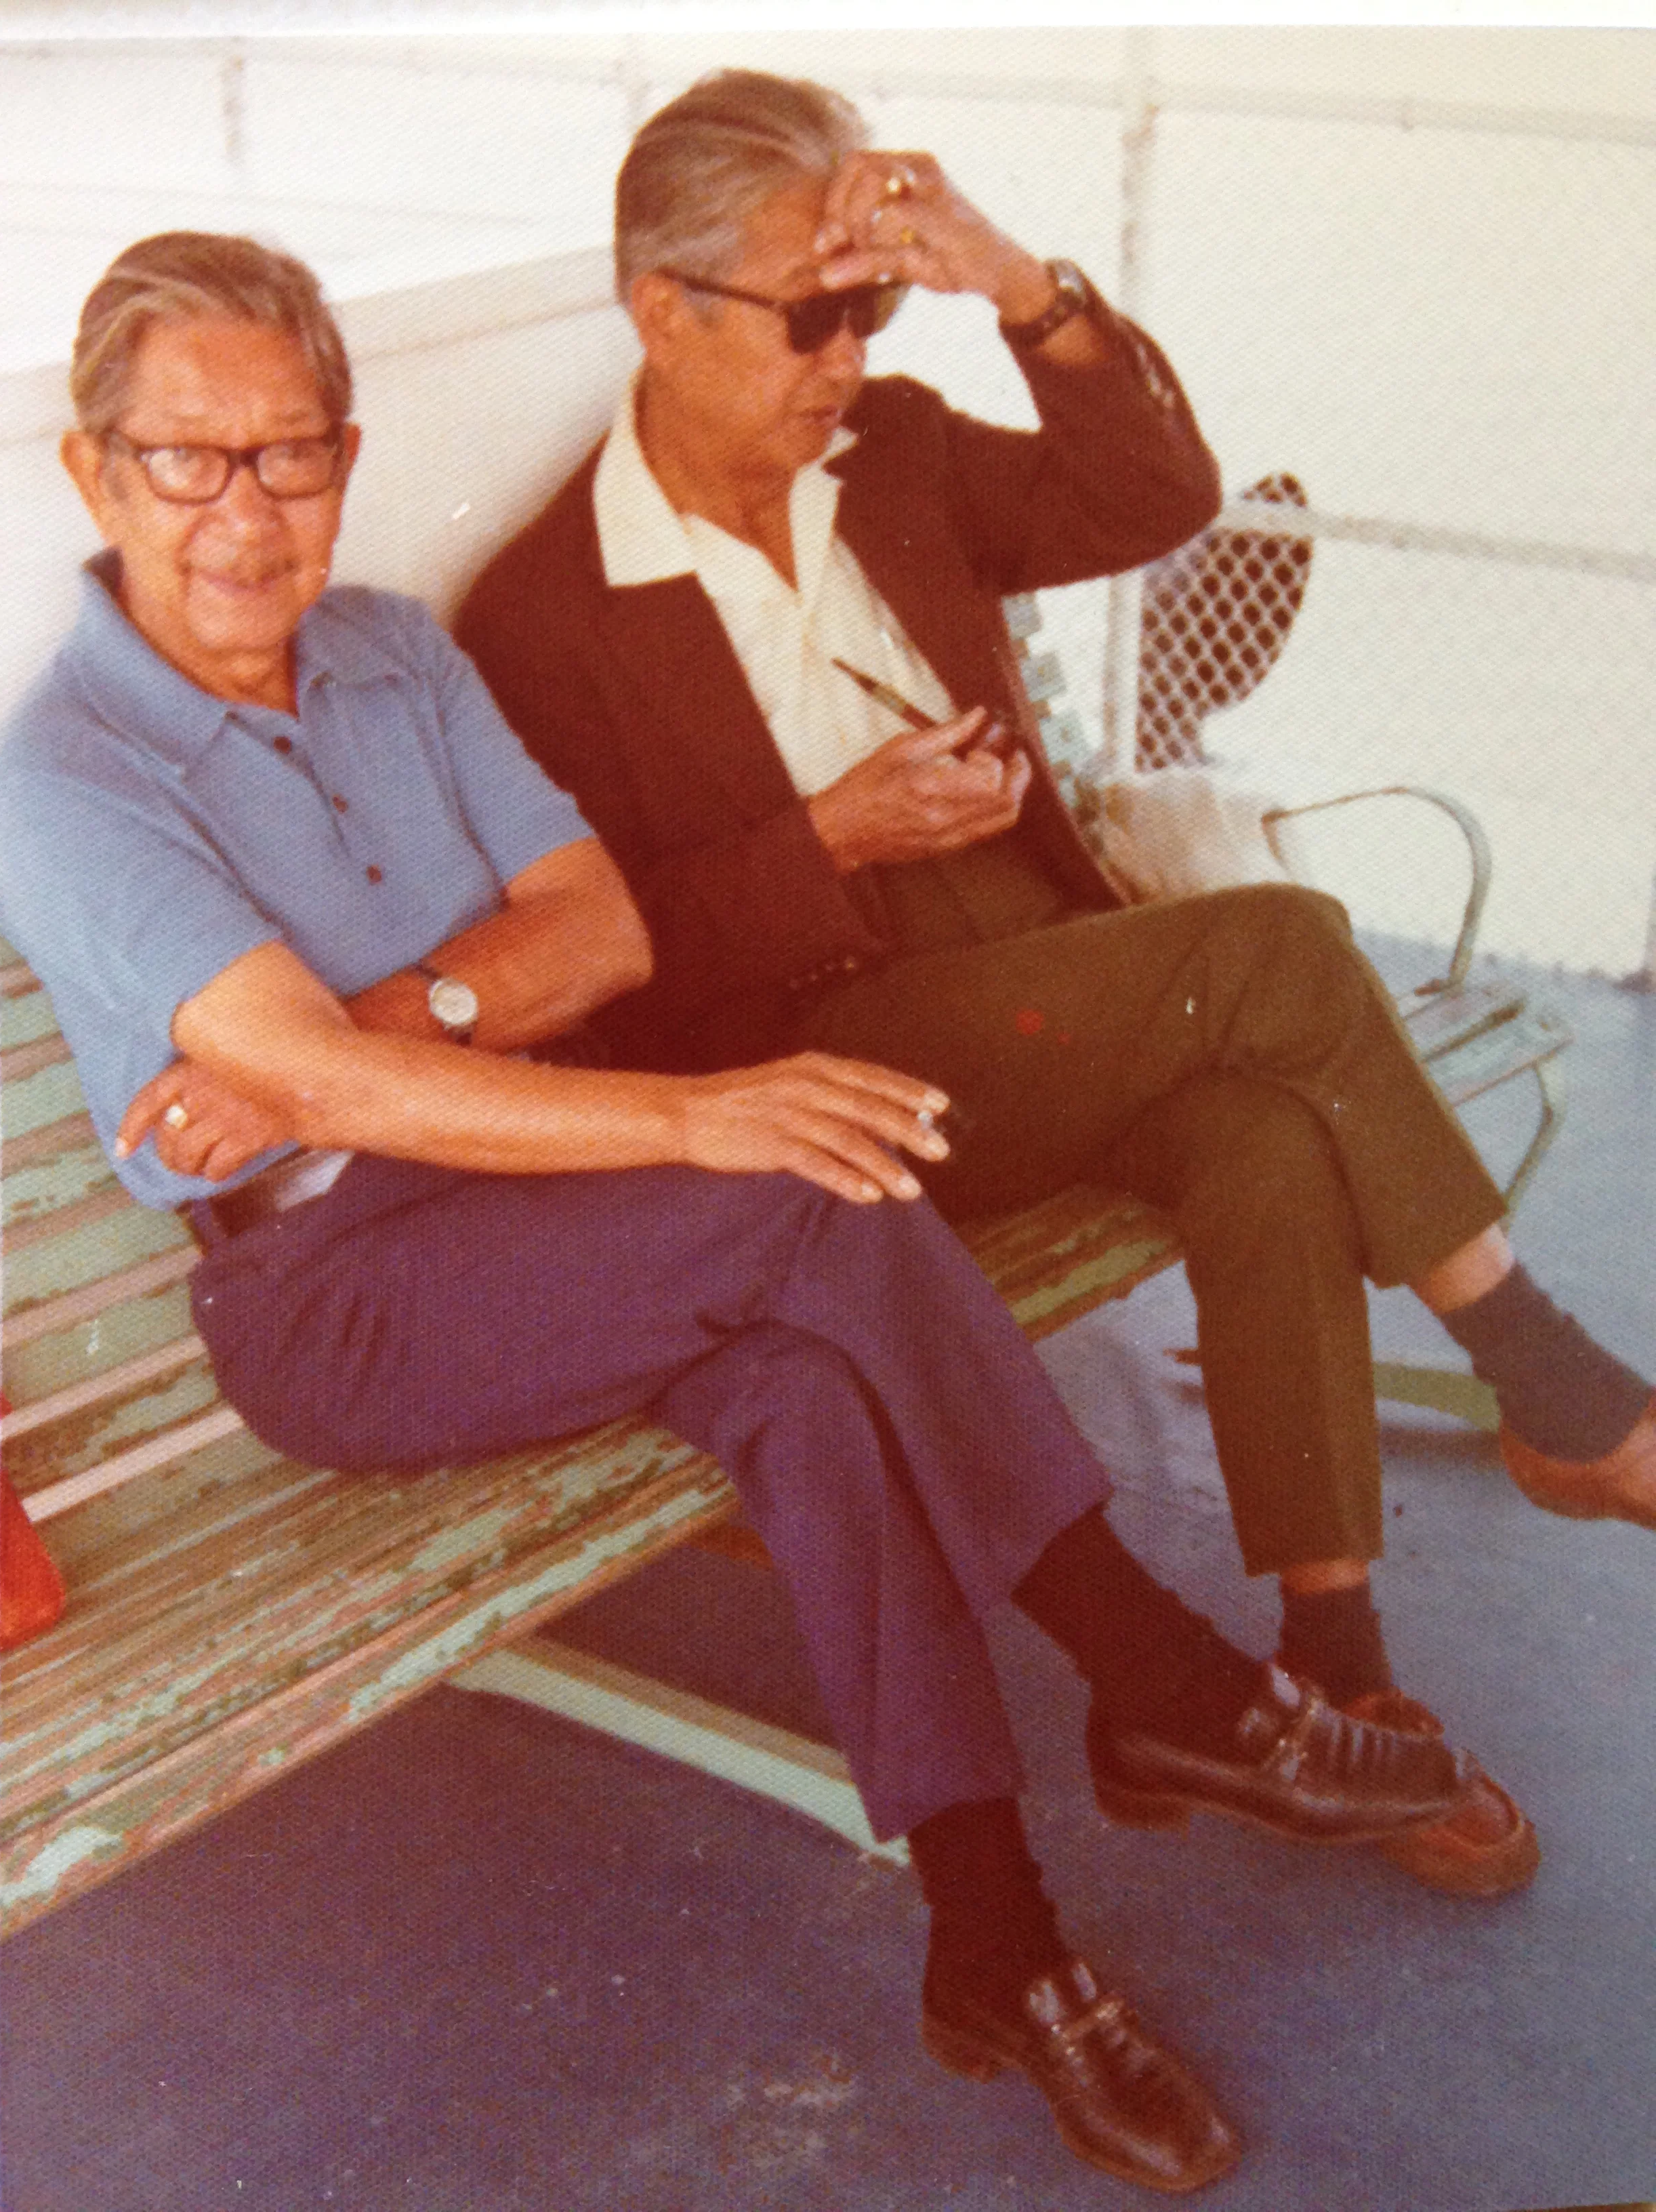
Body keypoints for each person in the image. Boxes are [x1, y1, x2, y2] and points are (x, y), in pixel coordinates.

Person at [0, 232, 1479, 2197]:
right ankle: (1169, 1682)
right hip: (342, 1295)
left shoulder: (393, 654)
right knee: (796, 1182)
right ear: (94, 474)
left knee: (806, 1379)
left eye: (290, 454)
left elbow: (593, 927)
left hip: (551, 1182)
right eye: (188, 459)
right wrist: (629, 1097)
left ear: (347, 459)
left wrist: (359, 1036)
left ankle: (1000, 1946)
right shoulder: (62, 777)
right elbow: (347, 1105)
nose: (246, 512)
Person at [453, 68, 1656, 1909]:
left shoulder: (903, 454)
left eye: (873, 303)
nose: (848, 352)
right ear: (660, 310)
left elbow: (1159, 494)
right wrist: (835, 839)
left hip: (1029, 988)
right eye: (809, 312)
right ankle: (1557, 1388)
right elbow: (609, 985)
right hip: (832, 1067)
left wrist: (1015, 279)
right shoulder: (548, 615)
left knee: (1265, 1129)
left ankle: (1340, 1668)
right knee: (1281, 948)